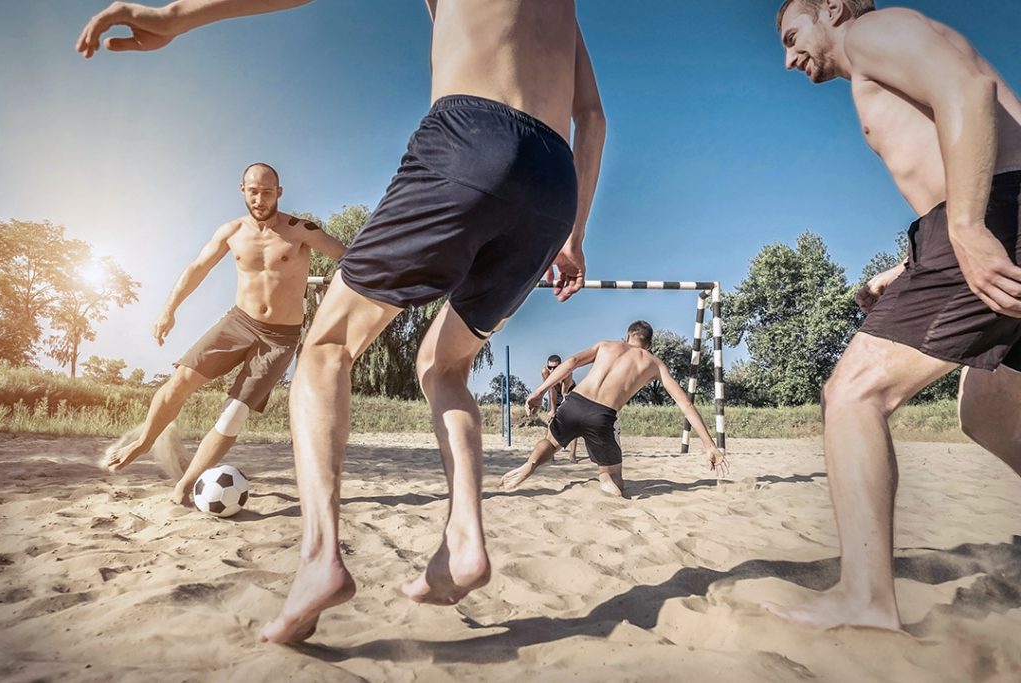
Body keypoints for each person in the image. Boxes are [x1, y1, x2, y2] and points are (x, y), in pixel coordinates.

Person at [78, 0, 606, 644]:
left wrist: (178, 15)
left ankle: (319, 560)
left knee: (326, 346)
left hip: (472, 138)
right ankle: (464, 540)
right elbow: (593, 117)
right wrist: (574, 235)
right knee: (444, 366)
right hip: (552, 182)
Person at [770, 0, 1021, 630]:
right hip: (995, 213)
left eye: (793, 34)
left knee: (853, 393)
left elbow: (968, 88)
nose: (788, 56)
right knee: (989, 410)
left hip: (995, 214)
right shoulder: (880, 53)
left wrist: (964, 227)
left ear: (832, 8)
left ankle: (865, 598)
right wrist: (915, 261)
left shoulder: (872, 31)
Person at [101, 163, 348, 508]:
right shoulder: (231, 231)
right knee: (179, 381)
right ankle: (143, 442)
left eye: (266, 191)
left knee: (233, 413)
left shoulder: (301, 230)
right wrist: (168, 310)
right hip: (239, 322)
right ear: (242, 191)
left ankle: (186, 485)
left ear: (279, 192)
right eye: (253, 191)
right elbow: (197, 268)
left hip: (280, 337)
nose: (259, 198)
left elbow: (349, 259)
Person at [498, 321, 728, 497]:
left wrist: (538, 391)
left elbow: (570, 363)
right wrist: (710, 447)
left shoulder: (606, 345)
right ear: (649, 345)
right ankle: (608, 483)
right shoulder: (653, 362)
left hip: (574, 403)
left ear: (627, 336)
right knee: (612, 476)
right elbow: (685, 404)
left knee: (550, 441)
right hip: (601, 416)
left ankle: (530, 465)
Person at [539, 354, 579, 462]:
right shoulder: (545, 372)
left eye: (555, 368)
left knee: (572, 424)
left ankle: (572, 455)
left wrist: (565, 409)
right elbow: (551, 389)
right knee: (551, 423)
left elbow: (564, 393)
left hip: (568, 392)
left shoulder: (567, 372)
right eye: (550, 367)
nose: (552, 370)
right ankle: (550, 454)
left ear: (560, 366)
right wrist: (552, 410)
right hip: (555, 393)